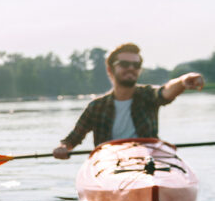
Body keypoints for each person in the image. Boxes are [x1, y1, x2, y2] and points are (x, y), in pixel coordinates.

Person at [53, 42, 205, 158]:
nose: (131, 68)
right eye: (124, 64)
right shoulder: (96, 107)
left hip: (148, 160)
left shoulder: (147, 95)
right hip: (110, 163)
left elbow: (165, 92)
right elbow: (72, 139)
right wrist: (63, 147)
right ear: (110, 70)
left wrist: (183, 81)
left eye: (136, 64)